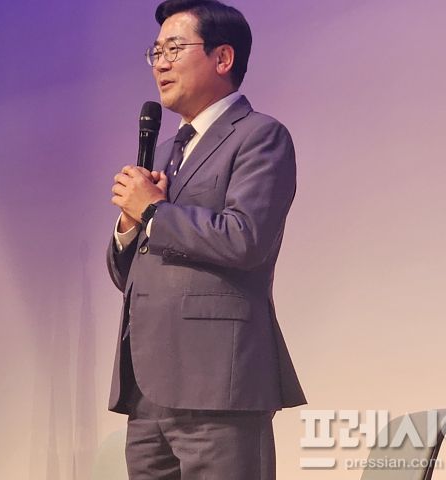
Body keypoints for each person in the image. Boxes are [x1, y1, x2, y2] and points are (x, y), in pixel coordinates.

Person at [107, 0, 306, 478]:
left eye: (174, 49)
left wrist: (153, 211)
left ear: (223, 58)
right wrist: (130, 225)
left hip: (218, 383)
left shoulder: (259, 136)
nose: (160, 63)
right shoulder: (165, 152)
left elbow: (246, 238)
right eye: (156, 52)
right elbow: (129, 275)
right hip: (147, 390)